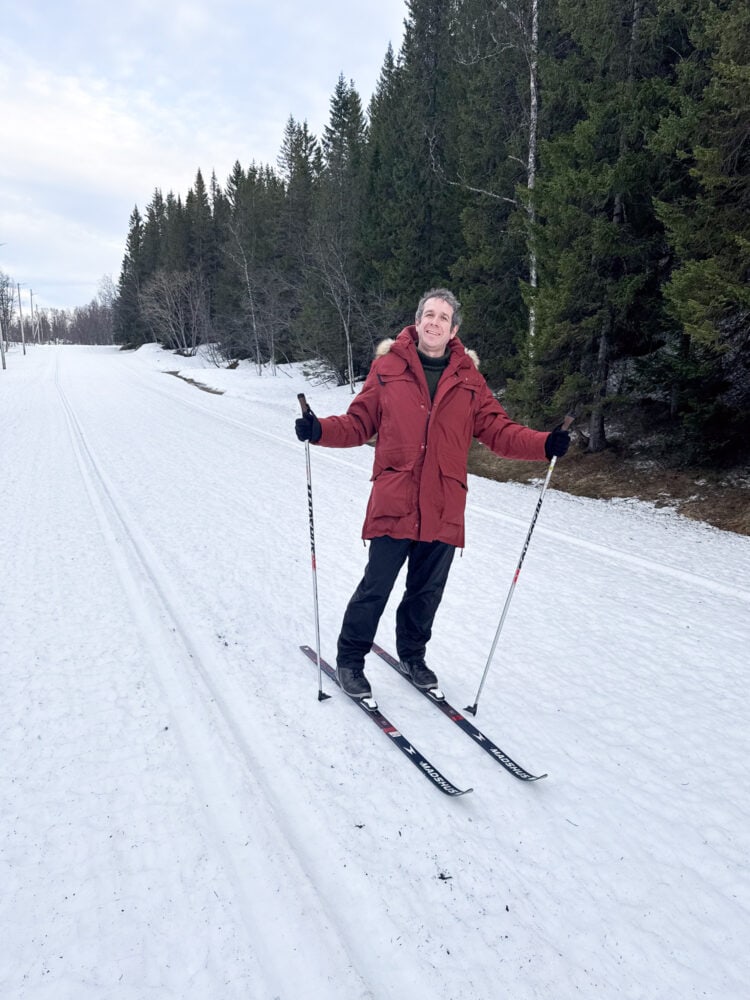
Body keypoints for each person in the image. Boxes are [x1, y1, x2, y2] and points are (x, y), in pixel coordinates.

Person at [295, 288, 570, 700]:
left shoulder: (468, 380)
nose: (434, 322)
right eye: (429, 314)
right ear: (417, 320)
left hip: (443, 504)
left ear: (454, 328)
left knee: (426, 593)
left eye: (443, 317)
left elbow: (499, 431)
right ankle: (350, 660)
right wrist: (320, 431)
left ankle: (412, 655)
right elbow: (359, 422)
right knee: (377, 585)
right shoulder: (388, 368)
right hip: (396, 497)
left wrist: (545, 443)